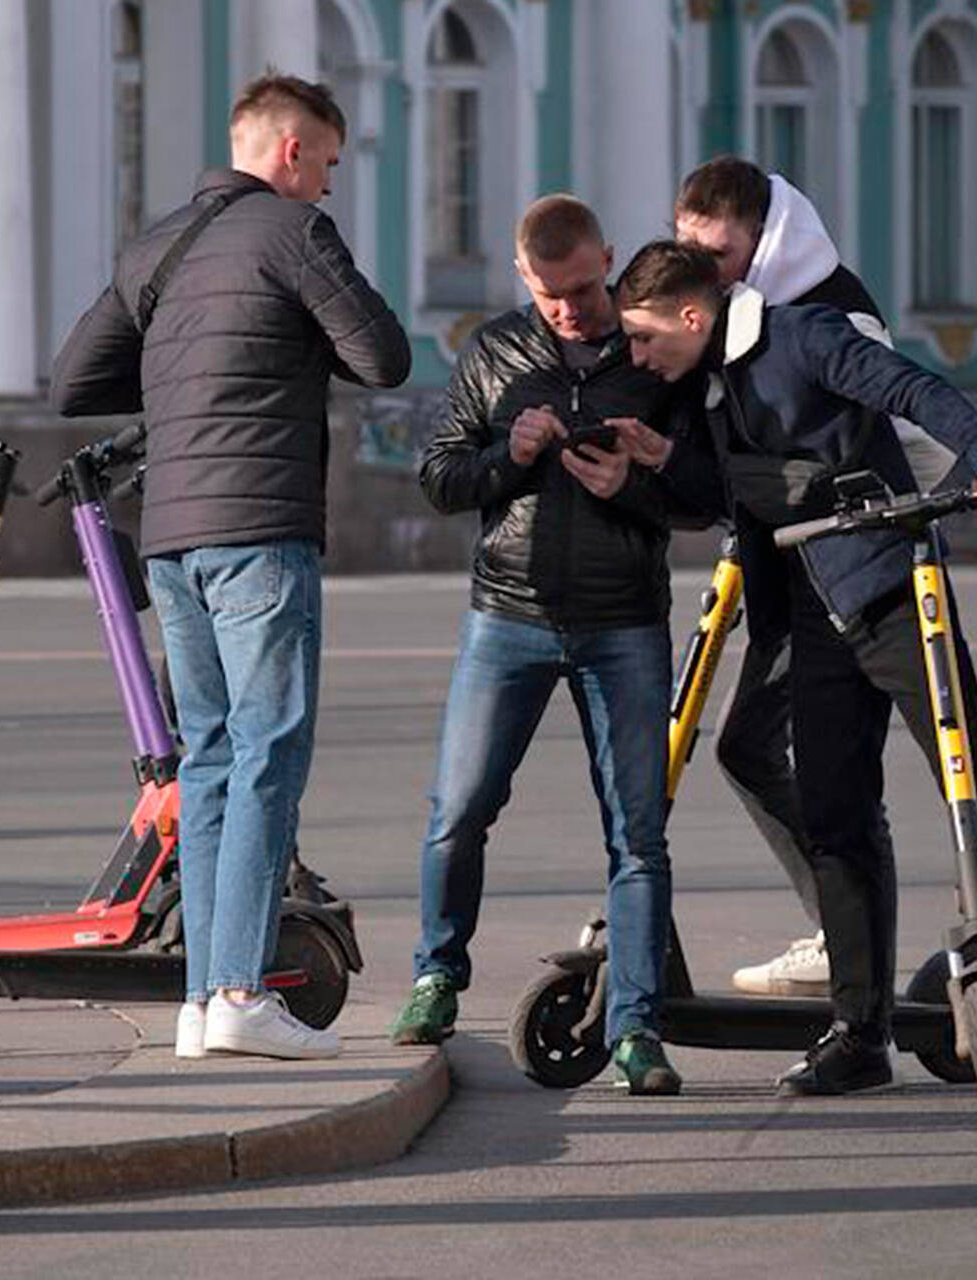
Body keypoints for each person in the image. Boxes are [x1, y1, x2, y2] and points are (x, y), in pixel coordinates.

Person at [50, 74, 410, 1061]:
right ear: (291, 153)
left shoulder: (155, 244)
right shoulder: (292, 235)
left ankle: (204, 1001)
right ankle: (240, 990)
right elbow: (381, 356)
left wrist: (189, 364)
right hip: (259, 524)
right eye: (328, 164)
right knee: (266, 752)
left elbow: (72, 379)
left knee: (207, 757)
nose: (329, 185)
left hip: (171, 533)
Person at [614, 239, 977, 1094]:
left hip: (890, 592)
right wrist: (660, 462)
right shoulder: (702, 382)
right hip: (812, 621)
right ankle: (859, 1034)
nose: (637, 356)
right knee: (837, 816)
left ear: (693, 317)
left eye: (643, 337)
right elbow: (725, 494)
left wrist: (970, 462)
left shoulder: (805, 336)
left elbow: (913, 389)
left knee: (969, 783)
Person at [387, 194, 688, 1096]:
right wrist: (509, 458)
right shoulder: (495, 352)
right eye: (551, 294)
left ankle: (636, 1030)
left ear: (607, 256)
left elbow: (704, 493)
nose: (570, 309)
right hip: (507, 616)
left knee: (638, 836)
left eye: (585, 288)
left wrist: (636, 478)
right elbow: (438, 478)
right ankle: (437, 977)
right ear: (524, 277)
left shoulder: (652, 361)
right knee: (459, 810)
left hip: (625, 620)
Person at [667, 156, 972, 997]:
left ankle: (877, 947)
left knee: (961, 767)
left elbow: (908, 400)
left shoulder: (824, 317)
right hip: (792, 586)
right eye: (688, 251)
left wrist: (954, 477)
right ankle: (842, 942)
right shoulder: (717, 323)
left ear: (763, 243)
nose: (703, 271)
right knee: (764, 757)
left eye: (718, 254)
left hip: (873, 569)